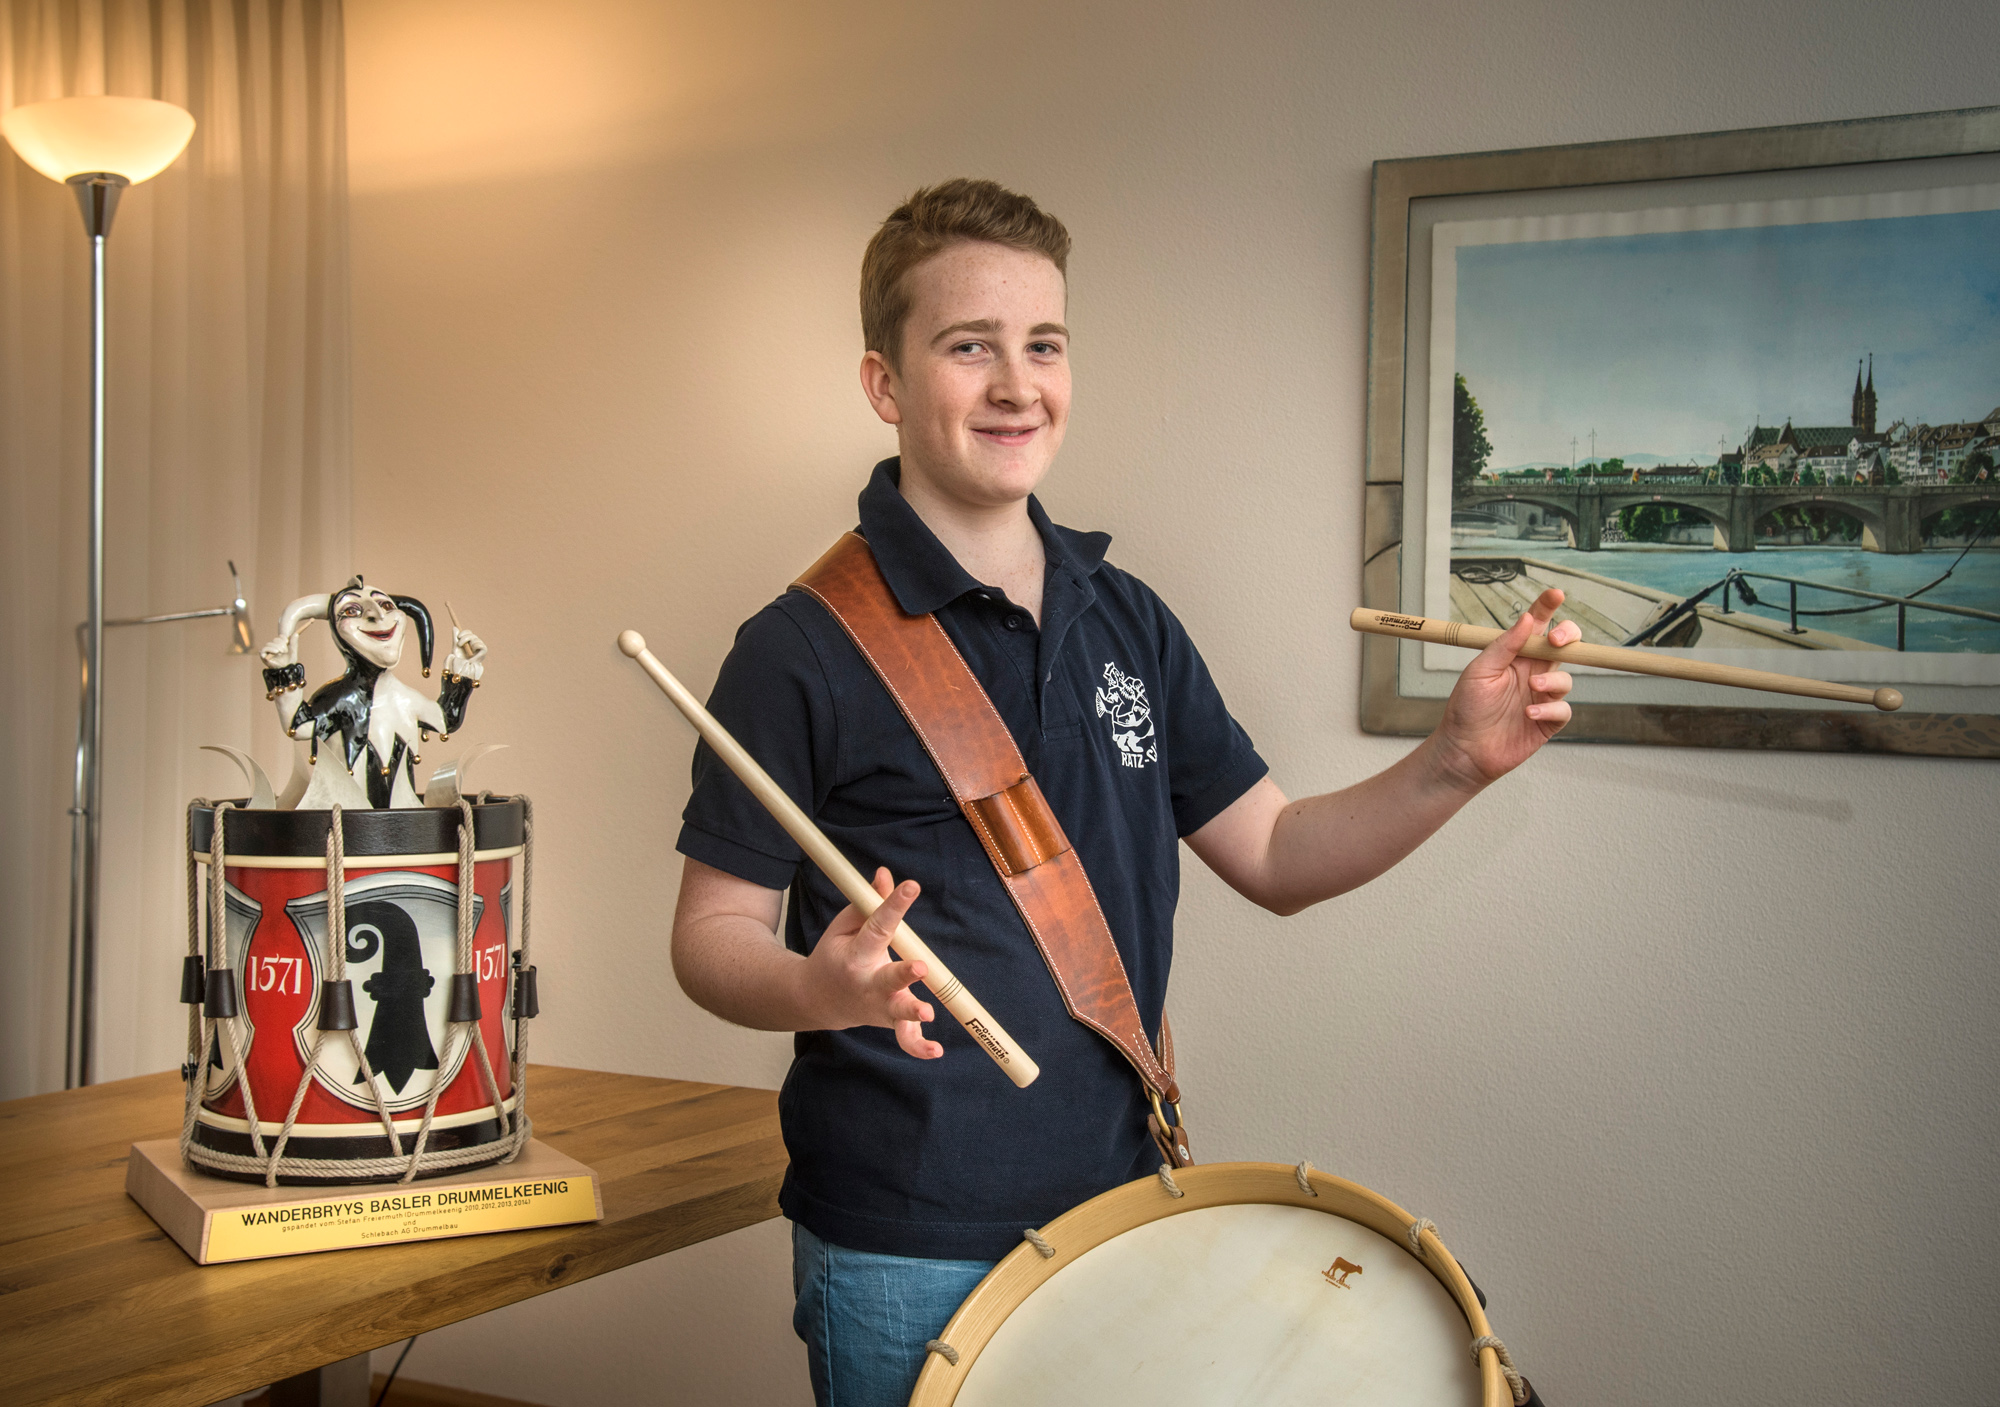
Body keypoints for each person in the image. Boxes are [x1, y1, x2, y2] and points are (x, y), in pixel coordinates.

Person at [672, 178, 1579, 1407]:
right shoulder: (797, 650)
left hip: (1116, 1213)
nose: (1015, 383)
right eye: (967, 346)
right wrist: (814, 988)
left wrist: (1452, 762)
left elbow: (1271, 852)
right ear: (883, 384)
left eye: (1042, 344)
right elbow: (709, 936)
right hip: (902, 1237)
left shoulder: (1127, 620)